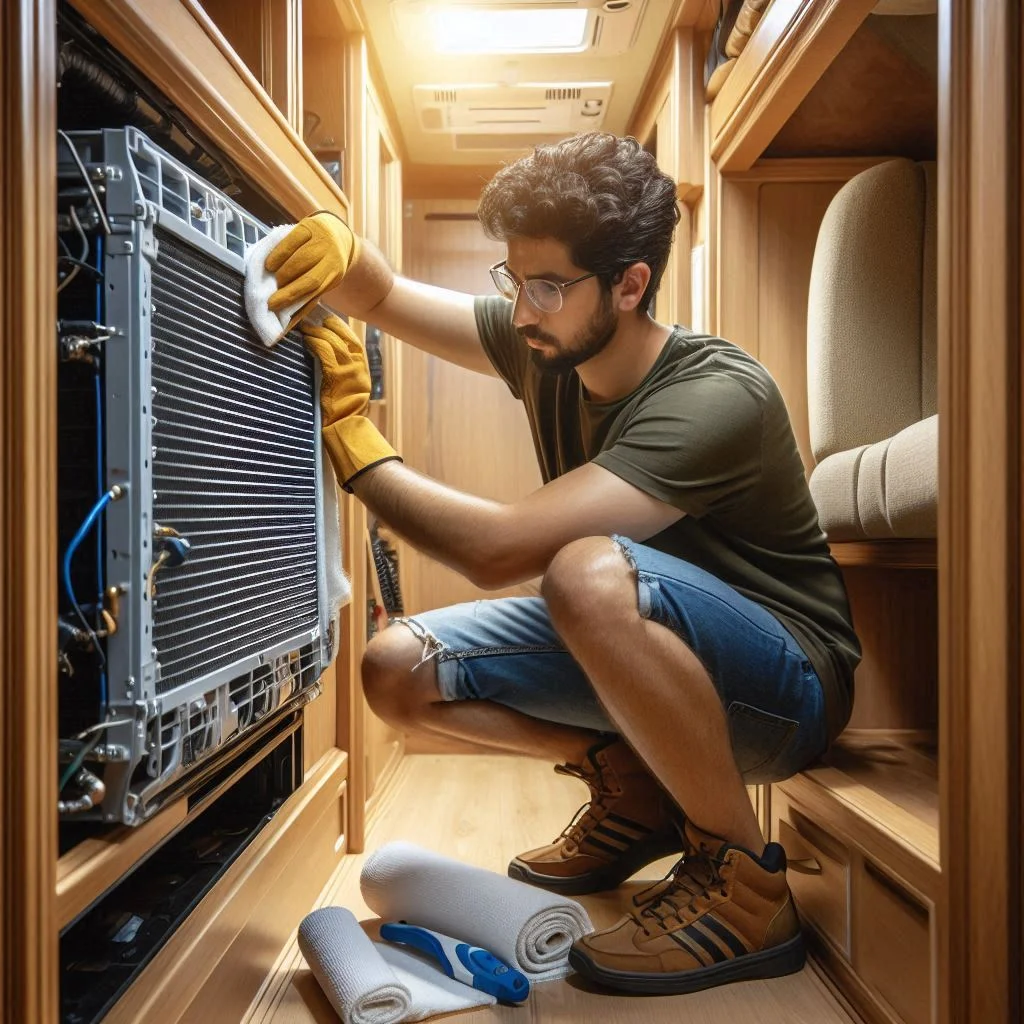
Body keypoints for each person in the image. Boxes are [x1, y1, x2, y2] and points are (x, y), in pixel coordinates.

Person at [264, 132, 861, 995]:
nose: (522, 310)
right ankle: (634, 785)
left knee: (579, 569)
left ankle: (744, 889)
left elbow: (498, 548)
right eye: (513, 279)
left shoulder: (717, 395)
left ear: (630, 285)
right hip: (643, 649)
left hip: (788, 684)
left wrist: (355, 441)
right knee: (396, 671)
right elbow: (386, 294)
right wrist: (340, 249)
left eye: (546, 286)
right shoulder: (546, 339)